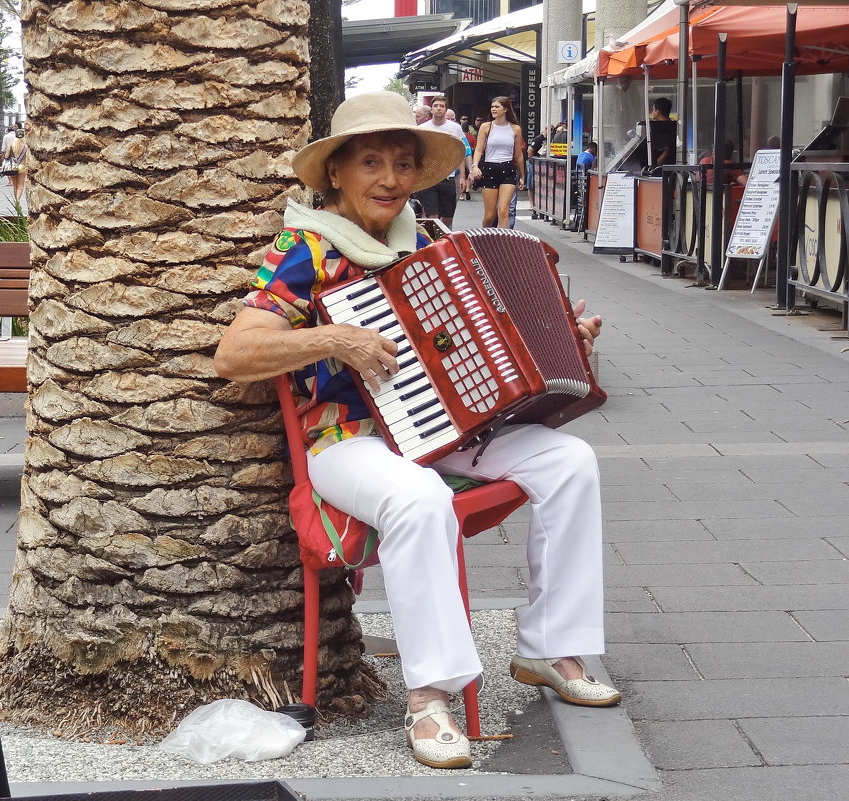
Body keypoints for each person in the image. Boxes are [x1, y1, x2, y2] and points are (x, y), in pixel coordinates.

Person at [214, 90, 620, 772]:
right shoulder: (305, 248)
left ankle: (552, 647)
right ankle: (428, 694)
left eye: (403, 163)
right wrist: (336, 338)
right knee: (419, 499)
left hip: (448, 426)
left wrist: (564, 337)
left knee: (570, 460)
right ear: (336, 172)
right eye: (370, 162)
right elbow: (234, 353)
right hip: (346, 438)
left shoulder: (431, 239)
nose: (390, 179)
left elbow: (490, 343)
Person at [470, 96, 526, 229]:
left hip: (508, 170)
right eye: (492, 107)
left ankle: (503, 245)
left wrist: (523, 176)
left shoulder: (515, 128)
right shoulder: (486, 127)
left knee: (503, 211)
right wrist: (475, 166)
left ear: (505, 109)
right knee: (490, 216)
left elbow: (518, 155)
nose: (493, 109)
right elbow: (478, 150)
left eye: (497, 107)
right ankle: (485, 238)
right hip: (489, 169)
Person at [418, 95, 471, 228]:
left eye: (441, 106)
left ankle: (444, 243)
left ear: (446, 109)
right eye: (435, 106)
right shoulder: (423, 128)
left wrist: (463, 177)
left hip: (448, 177)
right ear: (431, 109)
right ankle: (433, 245)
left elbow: (461, 152)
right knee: (432, 217)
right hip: (429, 178)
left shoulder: (455, 128)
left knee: (447, 218)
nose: (438, 109)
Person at [1, 125, 29, 202]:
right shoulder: (26, 147)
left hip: (13, 166)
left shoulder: (11, 146)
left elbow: (6, 157)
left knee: (15, 185)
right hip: (22, 166)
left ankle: (15, 199)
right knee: (20, 186)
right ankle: (18, 201)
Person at [526, 127, 548, 219]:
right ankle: (532, 204)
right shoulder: (538, 139)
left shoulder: (550, 139)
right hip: (534, 164)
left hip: (543, 164)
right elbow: (530, 150)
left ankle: (540, 204)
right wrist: (532, 160)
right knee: (531, 184)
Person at [648, 97, 676, 166]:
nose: (652, 112)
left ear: (657, 111)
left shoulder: (655, 128)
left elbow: (670, 145)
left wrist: (661, 158)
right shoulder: (674, 126)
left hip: (661, 166)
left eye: (653, 110)